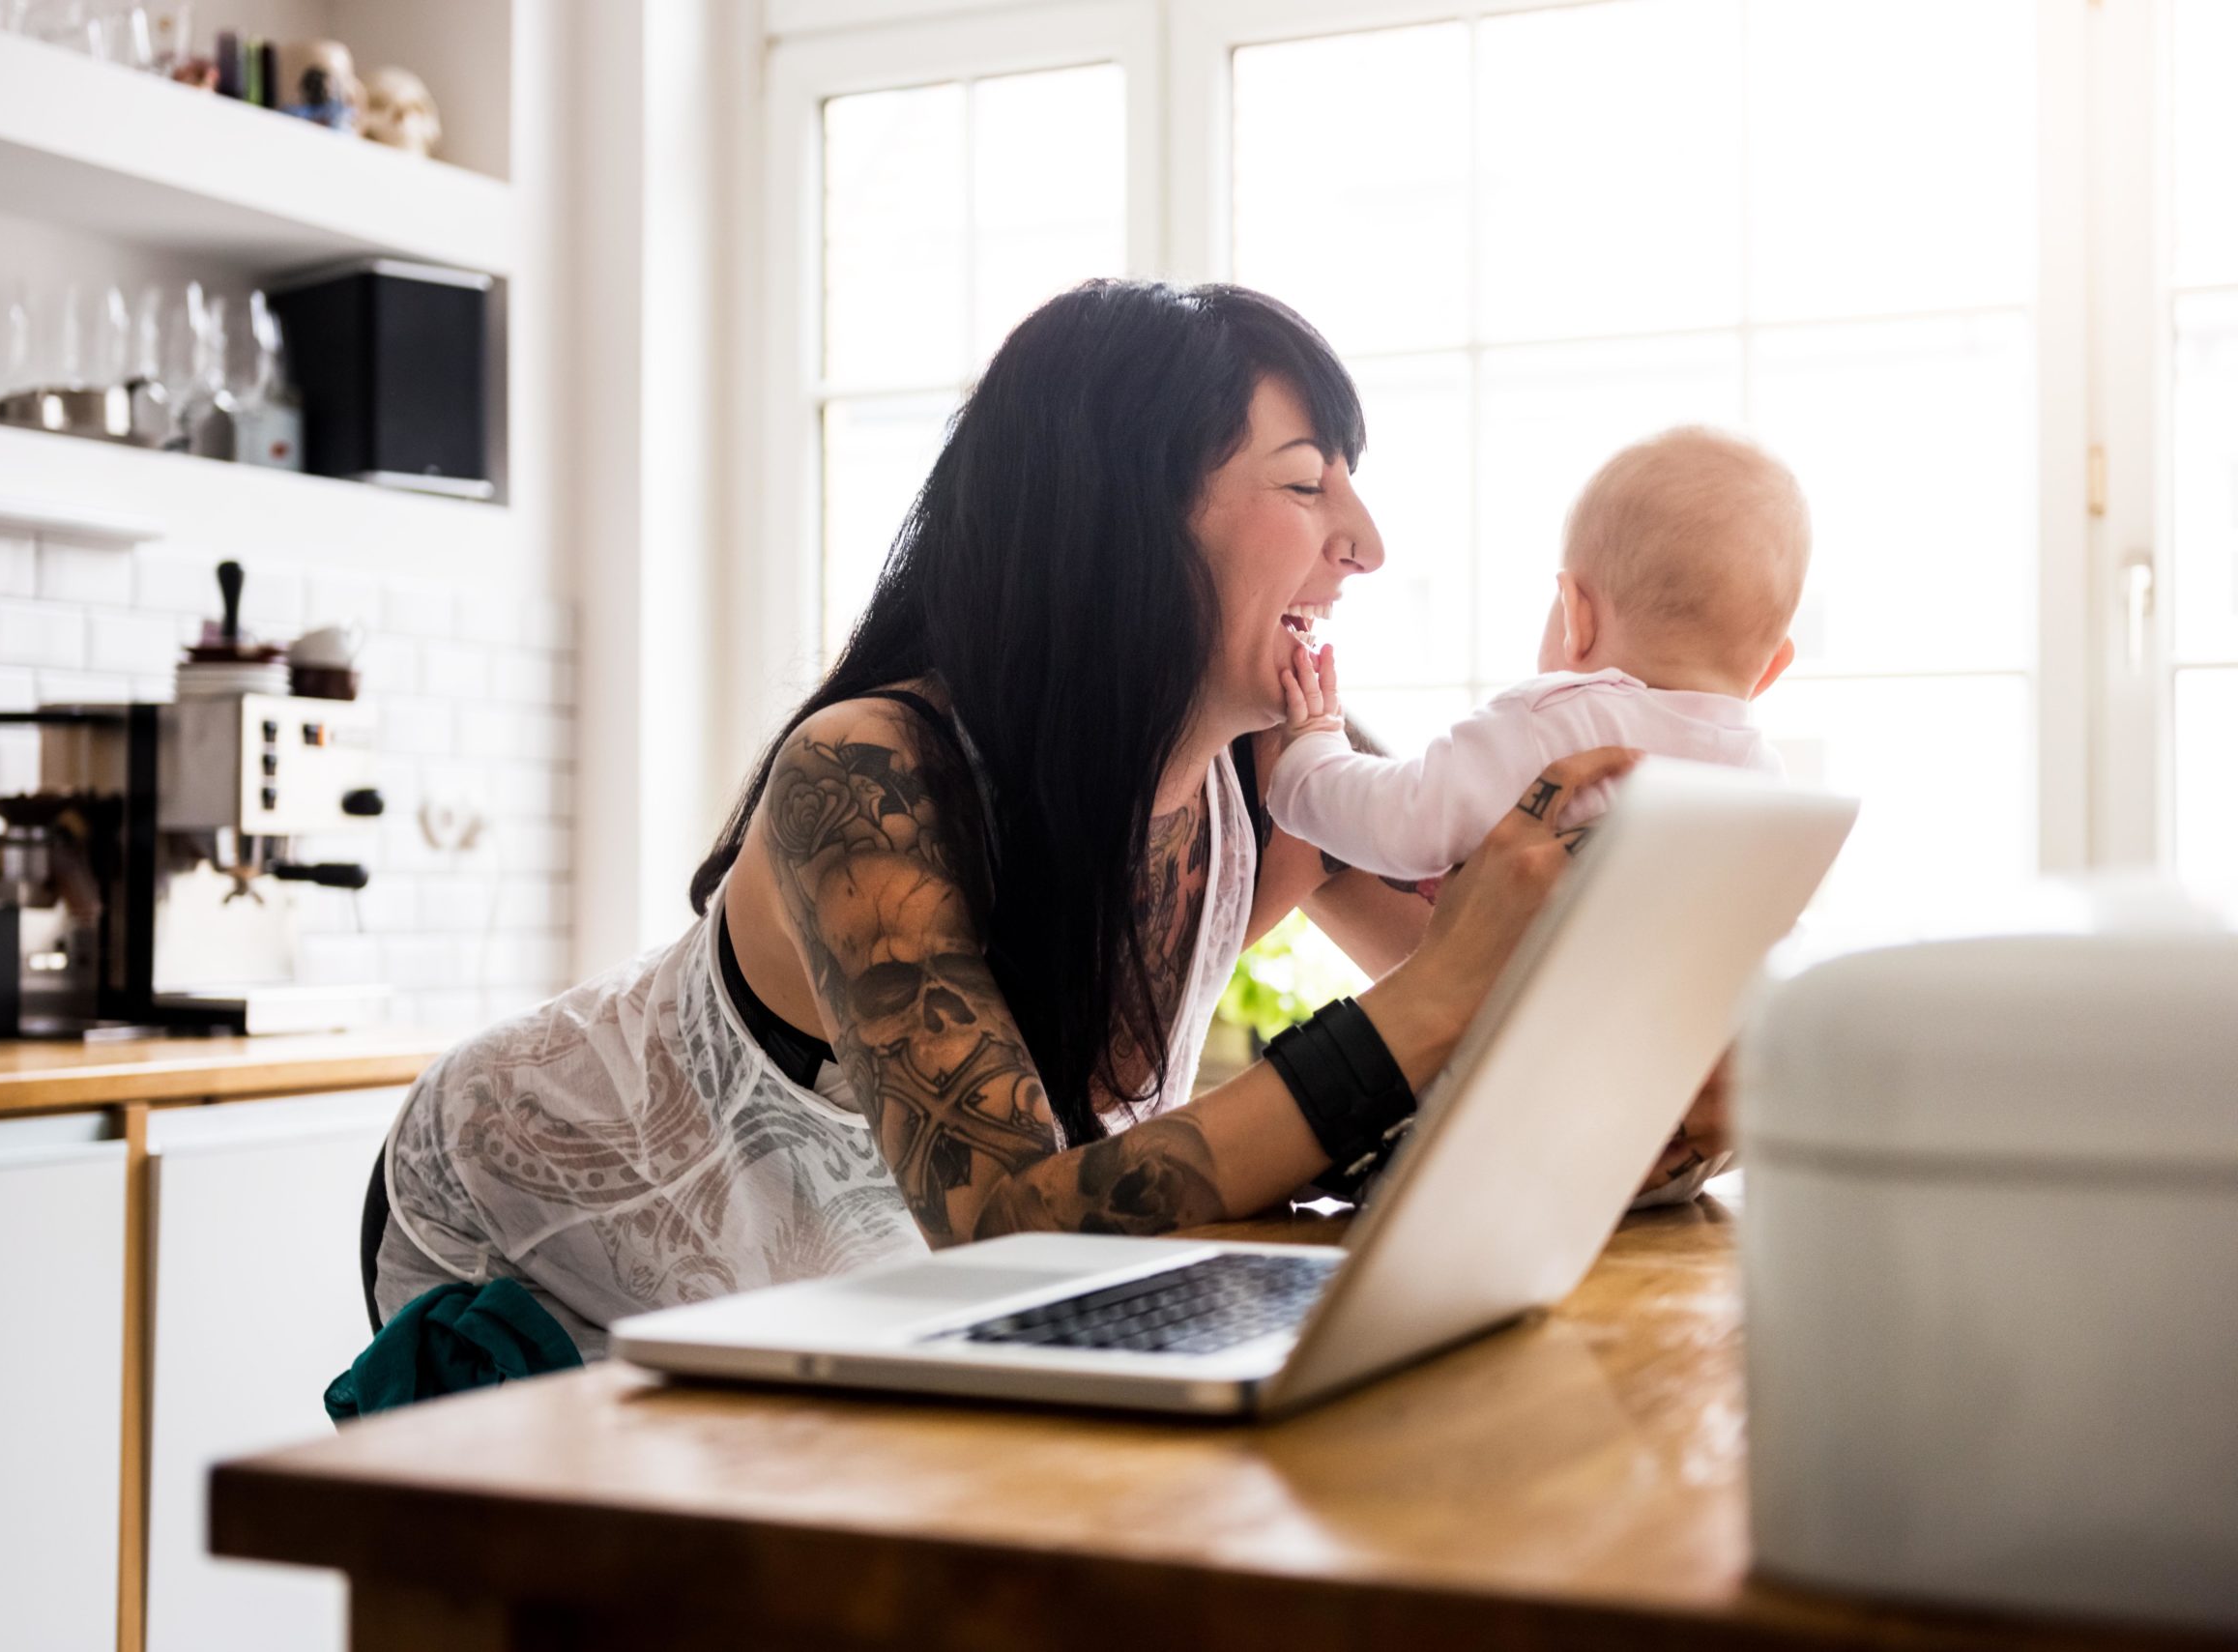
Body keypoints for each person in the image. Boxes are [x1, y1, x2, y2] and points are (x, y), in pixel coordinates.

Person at [370, 280, 1713, 1357]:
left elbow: (1510, 1015)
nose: (1362, 541)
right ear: (1128, 517)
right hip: (533, 1221)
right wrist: (1430, 1010)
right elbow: (1008, 1223)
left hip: (841, 1274)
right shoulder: (868, 777)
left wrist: (1674, 1080)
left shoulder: (1288, 776)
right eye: (1308, 483)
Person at [1267, 425, 1810, 884]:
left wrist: (1312, 754)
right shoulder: (1765, 783)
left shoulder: (1553, 722)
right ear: (1771, 669)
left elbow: (1401, 822)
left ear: (1579, 617)